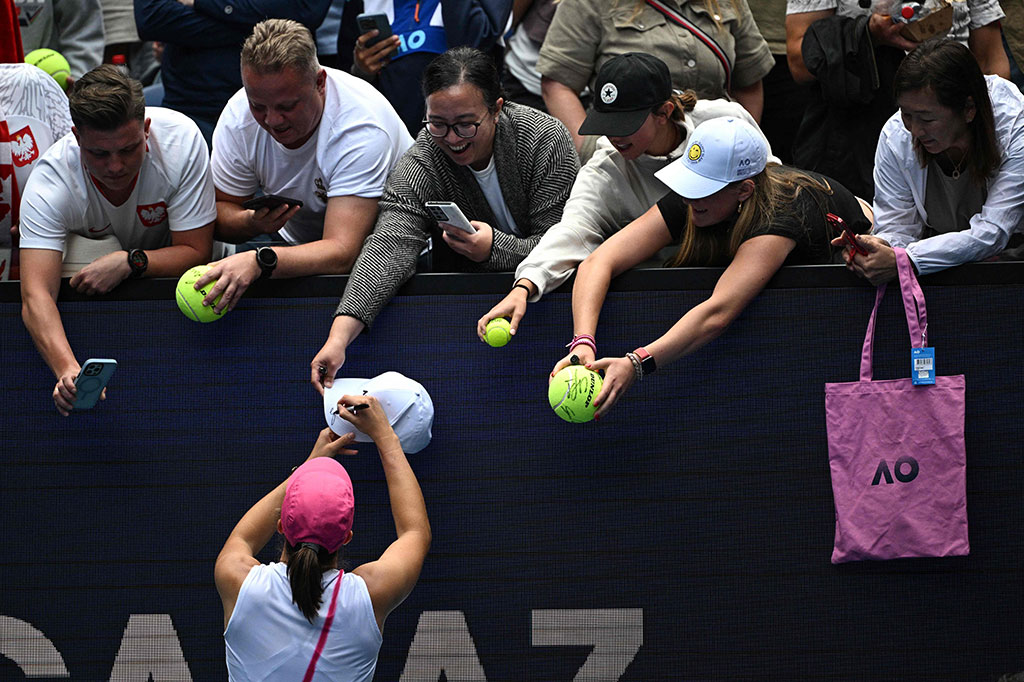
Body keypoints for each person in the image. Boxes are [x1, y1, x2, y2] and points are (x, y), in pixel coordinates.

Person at [552, 116, 871, 417]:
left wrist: (636, 363)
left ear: (744, 190)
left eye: (703, 187)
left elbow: (717, 313)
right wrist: (583, 343)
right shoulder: (696, 198)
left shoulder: (782, 216)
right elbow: (599, 261)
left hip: (851, 273)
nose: (689, 197)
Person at [310, 46, 578, 390]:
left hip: (554, 310)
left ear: (497, 109)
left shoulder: (544, 139)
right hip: (470, 321)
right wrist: (339, 338)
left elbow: (567, 244)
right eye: (438, 124)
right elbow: (389, 248)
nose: (451, 139)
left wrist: (495, 249)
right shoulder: (424, 159)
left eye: (465, 125)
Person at [475, 51, 772, 340]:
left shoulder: (726, 121)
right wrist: (524, 286)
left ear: (664, 113)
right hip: (659, 306)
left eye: (625, 125)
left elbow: (770, 196)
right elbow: (572, 232)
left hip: (750, 297)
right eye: (607, 124)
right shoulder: (605, 169)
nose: (614, 137)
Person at [19, 64, 215, 416]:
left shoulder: (181, 141)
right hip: (98, 289)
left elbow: (196, 250)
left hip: (173, 278)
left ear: (146, 129)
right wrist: (67, 370)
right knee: (84, 252)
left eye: (127, 149)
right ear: (77, 137)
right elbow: (36, 294)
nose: (114, 166)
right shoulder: (50, 180)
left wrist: (130, 262)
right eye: (99, 153)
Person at [196, 19, 412, 314]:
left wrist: (260, 260)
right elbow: (218, 213)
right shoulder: (238, 117)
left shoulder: (360, 126)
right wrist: (251, 223)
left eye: (287, 106)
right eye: (258, 105)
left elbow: (341, 254)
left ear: (320, 83)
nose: (272, 120)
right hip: (293, 249)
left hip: (391, 257)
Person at [217, 396, 430, 681]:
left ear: (281, 525)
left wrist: (309, 466)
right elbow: (414, 532)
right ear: (347, 537)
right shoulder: (370, 595)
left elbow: (242, 538)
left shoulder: (238, 581)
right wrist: (384, 435)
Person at [840, 39, 1024, 285]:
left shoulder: (1014, 126)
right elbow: (898, 227)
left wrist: (905, 259)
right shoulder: (896, 134)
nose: (915, 130)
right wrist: (877, 248)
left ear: (969, 109)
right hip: (936, 261)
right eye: (907, 114)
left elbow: (993, 232)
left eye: (927, 119)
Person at [784, 0, 1008, 199]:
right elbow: (799, 63)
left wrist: (984, 131)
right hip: (860, 132)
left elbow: (991, 61)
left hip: (957, 132)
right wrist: (869, 33)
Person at [537, 0, 774, 161]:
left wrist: (739, 149)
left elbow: (749, 82)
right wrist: (592, 149)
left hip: (713, 157)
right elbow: (558, 84)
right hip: (630, 157)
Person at [135, 0, 332, 143]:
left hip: (279, 108)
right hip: (191, 105)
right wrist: (253, 25)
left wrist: (201, 3)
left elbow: (303, 12)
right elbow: (152, 17)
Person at [347, 0, 513, 134]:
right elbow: (345, 71)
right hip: (393, 136)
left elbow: (475, 42)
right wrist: (362, 71)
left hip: (464, 136)